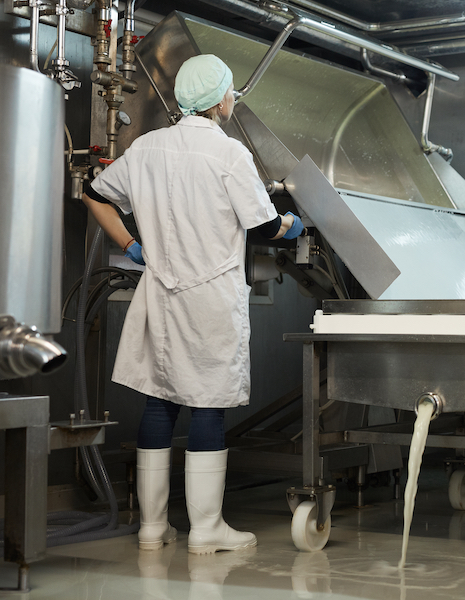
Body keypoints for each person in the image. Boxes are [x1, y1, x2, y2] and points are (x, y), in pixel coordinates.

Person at [82, 54, 305, 554]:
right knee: (208, 404)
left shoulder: (146, 147)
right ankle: (206, 530)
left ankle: (152, 529)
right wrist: (295, 226)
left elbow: (95, 193)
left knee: (159, 400)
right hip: (208, 297)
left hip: (160, 292)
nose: (232, 101)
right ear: (221, 100)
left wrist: (133, 243)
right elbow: (265, 227)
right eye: (231, 93)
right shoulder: (229, 155)